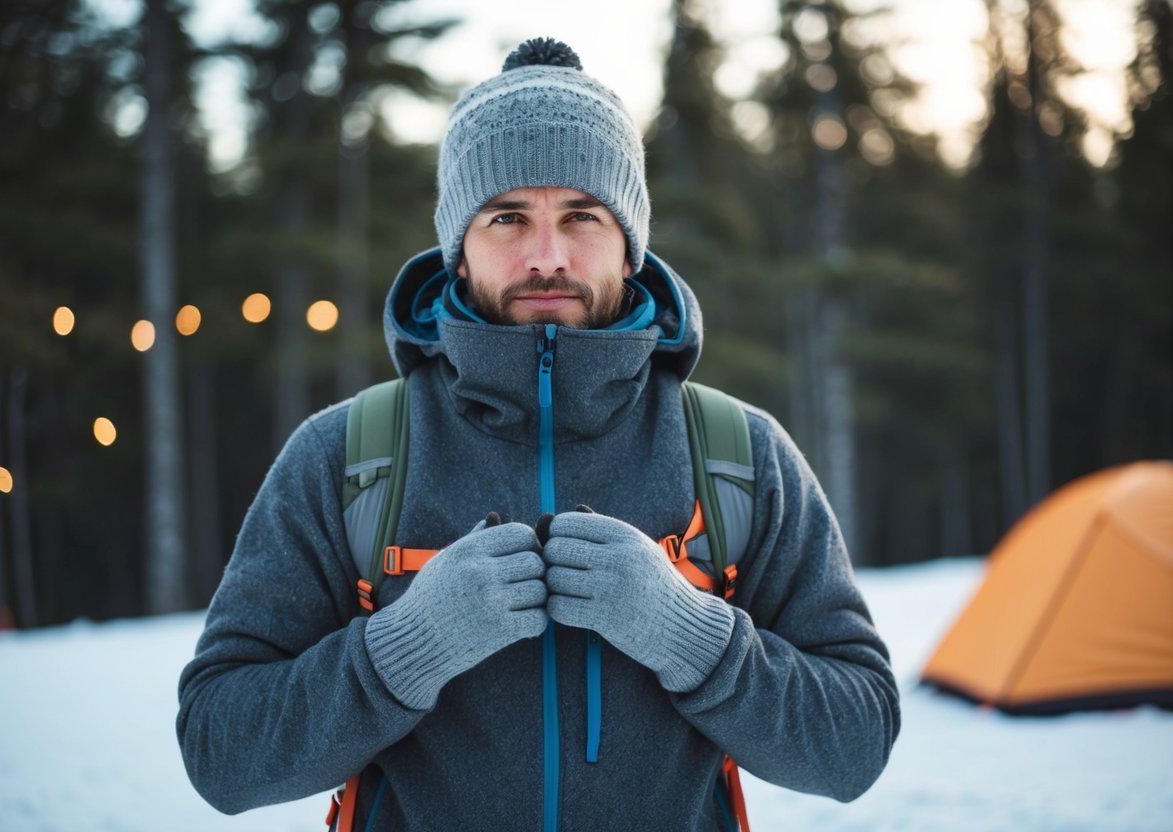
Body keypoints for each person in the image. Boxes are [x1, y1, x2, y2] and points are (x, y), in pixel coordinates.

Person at [177, 36, 900, 832]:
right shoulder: (347, 456)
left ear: (631, 245)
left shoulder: (736, 453)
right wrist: (407, 645)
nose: (546, 255)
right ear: (458, 250)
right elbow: (220, 752)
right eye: (507, 217)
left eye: (582, 216)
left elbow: (854, 743)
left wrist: (691, 637)